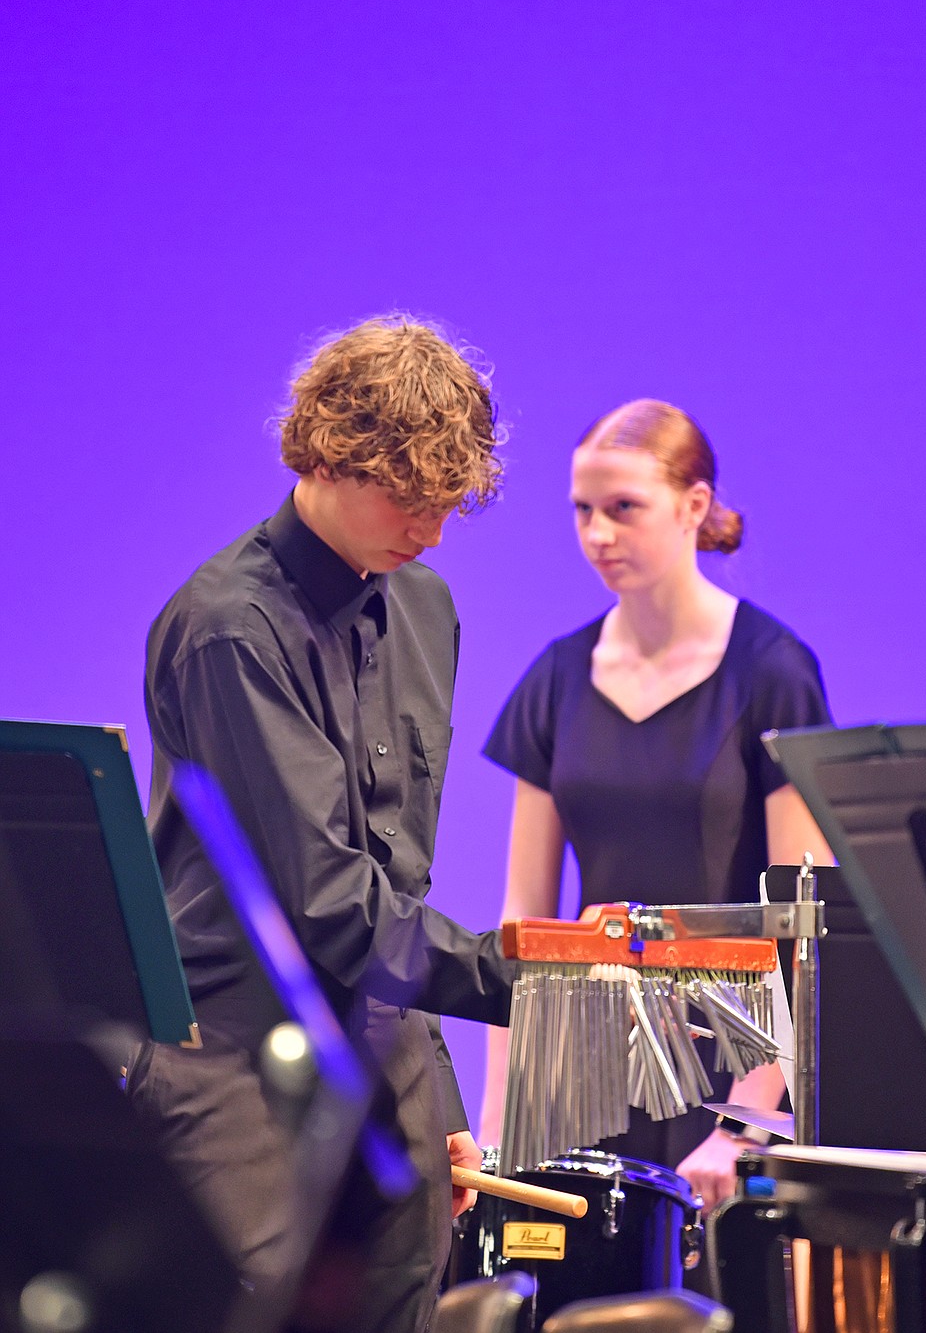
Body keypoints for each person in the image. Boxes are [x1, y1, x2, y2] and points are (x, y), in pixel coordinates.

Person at [128, 316, 516, 1333]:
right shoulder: (229, 626)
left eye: (447, 505)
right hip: (238, 1073)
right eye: (411, 496)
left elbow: (397, 894)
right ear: (331, 456)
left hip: (384, 1068)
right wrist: (536, 985)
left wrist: (443, 1103)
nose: (430, 529)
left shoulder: (426, 607)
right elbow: (329, 899)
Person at [479, 398, 834, 1215]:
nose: (598, 534)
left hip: (727, 1069)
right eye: (583, 511)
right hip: (579, 1068)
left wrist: (750, 1120)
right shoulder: (556, 678)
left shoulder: (773, 672)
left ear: (694, 506)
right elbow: (523, 921)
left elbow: (810, 928)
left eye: (623, 509)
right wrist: (502, 1118)